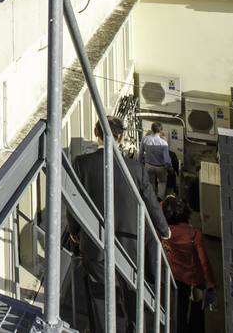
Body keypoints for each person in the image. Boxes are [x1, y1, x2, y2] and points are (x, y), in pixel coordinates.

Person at [71, 117, 170, 333]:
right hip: (131, 244)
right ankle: (135, 327)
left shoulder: (82, 163)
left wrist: (75, 232)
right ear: (121, 137)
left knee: (100, 294)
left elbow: (74, 202)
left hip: (96, 243)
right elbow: (151, 201)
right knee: (133, 291)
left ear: (97, 134)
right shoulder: (135, 168)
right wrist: (164, 230)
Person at [160, 196, 217, 333]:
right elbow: (204, 262)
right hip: (195, 280)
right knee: (197, 312)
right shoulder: (195, 235)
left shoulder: (165, 233)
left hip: (176, 276)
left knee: (180, 310)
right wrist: (211, 284)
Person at [140, 121, 172, 200]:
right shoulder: (164, 143)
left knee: (150, 183)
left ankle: (151, 198)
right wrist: (169, 167)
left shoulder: (145, 139)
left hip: (148, 165)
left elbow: (140, 153)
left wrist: (141, 163)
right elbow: (167, 159)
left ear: (152, 129)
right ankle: (160, 199)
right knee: (162, 182)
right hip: (160, 167)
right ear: (161, 131)